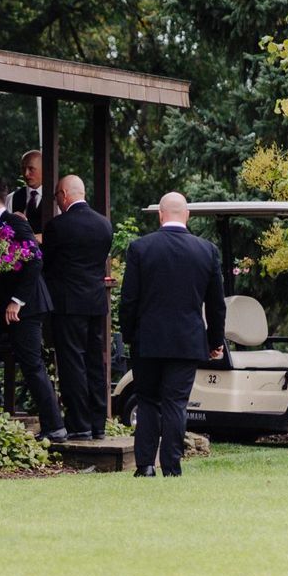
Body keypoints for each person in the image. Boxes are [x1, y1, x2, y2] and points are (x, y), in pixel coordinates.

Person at [118, 192, 224, 476]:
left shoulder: (140, 248)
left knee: (148, 401)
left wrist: (129, 335)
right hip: (187, 341)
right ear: (186, 215)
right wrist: (215, 342)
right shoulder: (207, 251)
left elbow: (128, 300)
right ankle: (172, 466)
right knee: (176, 403)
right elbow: (216, 305)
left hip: (148, 340)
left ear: (161, 215)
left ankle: (145, 466)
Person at [0, 178, 66, 441]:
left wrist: (17, 300)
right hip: (3, 306)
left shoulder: (15, 221)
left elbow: (34, 261)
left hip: (27, 306)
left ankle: (55, 426)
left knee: (32, 365)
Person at [42, 174, 113, 440]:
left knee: (72, 363)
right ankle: (98, 424)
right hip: (95, 302)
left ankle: (79, 423)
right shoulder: (104, 225)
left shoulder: (58, 227)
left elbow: (48, 265)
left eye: (57, 197)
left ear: (63, 194)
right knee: (95, 362)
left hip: (67, 303)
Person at [8, 150, 47, 235]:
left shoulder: (55, 198)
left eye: (31, 169)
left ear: (44, 169)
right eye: (23, 169)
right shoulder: (12, 198)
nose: (26, 174)